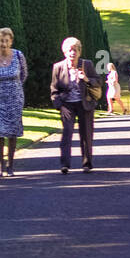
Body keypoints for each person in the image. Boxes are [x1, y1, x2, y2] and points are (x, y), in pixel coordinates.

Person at [50, 37, 98, 174]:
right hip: (67, 106)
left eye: (75, 50)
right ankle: (65, 165)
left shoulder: (87, 65)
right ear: (65, 52)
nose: (73, 53)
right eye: (70, 50)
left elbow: (98, 82)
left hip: (85, 105)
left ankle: (87, 164)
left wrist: (86, 79)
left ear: (79, 51)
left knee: (86, 135)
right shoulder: (58, 67)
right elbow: (54, 91)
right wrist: (61, 106)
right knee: (67, 133)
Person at [0, 27, 27, 177]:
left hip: (15, 98)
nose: (4, 44)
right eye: (1, 41)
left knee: (12, 131)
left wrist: (13, 88)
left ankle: (10, 165)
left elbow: (24, 74)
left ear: (11, 41)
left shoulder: (18, 55)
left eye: (6, 41)